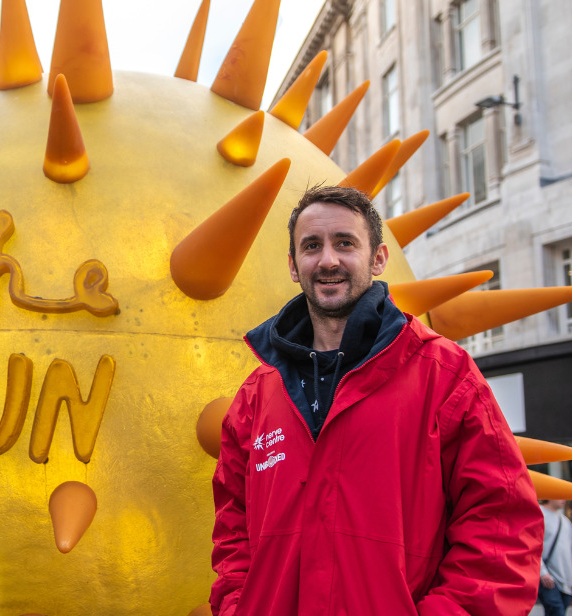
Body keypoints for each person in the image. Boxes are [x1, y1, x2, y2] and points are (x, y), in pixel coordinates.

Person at [210, 185, 543, 615]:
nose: (328, 259)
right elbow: (232, 525)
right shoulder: (257, 395)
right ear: (294, 266)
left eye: (345, 243)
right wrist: (240, 606)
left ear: (378, 258)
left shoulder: (444, 375)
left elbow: (502, 526)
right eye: (312, 246)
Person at [539, 499, 572, 616]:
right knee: (556, 610)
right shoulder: (538, 515)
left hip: (566, 580)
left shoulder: (565, 521)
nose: (564, 500)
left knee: (559, 610)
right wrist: (542, 572)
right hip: (548, 577)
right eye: (560, 496)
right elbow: (531, 547)